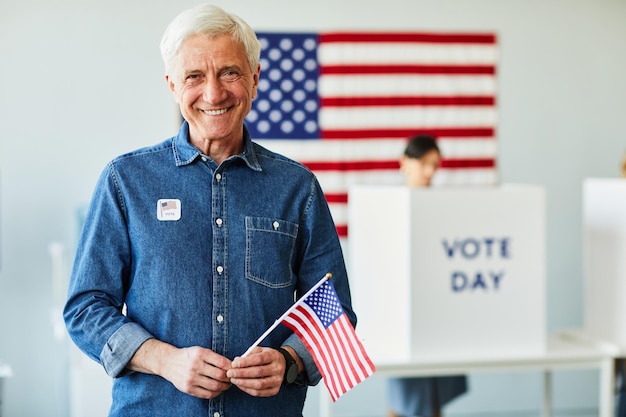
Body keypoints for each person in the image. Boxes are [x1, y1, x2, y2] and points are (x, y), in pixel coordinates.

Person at [63, 4, 356, 417]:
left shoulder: (298, 188)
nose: (214, 93)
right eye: (195, 76)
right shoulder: (125, 181)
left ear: (254, 79)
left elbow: (334, 310)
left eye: (230, 73)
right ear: (172, 84)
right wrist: (163, 360)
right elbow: (85, 308)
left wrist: (290, 361)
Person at [388, 134, 468, 417]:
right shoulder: (389, 206)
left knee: (436, 396)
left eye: (435, 164)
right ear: (405, 163)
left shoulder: (442, 206)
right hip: (401, 313)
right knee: (404, 396)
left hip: (437, 310)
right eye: (424, 163)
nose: (430, 171)